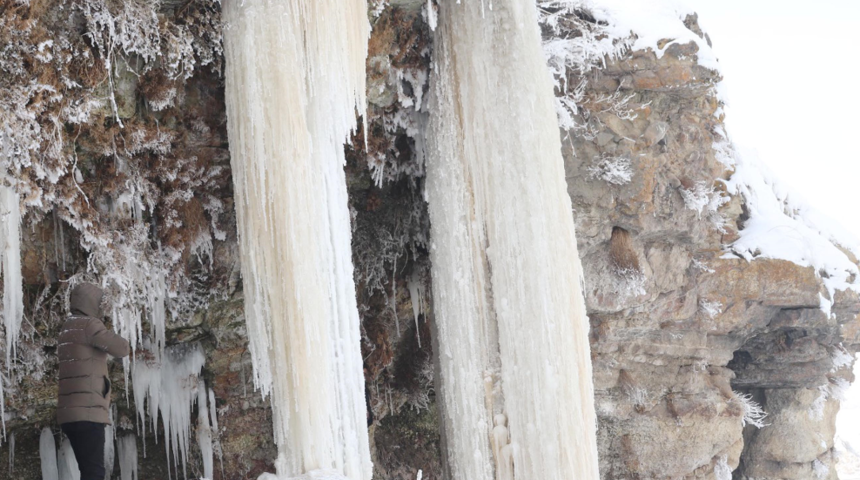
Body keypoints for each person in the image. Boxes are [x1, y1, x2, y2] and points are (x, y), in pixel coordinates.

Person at [57, 283, 130, 480]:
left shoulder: (66, 329)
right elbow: (122, 348)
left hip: (69, 415)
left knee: (88, 471)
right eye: (100, 303)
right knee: (94, 473)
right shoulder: (89, 325)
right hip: (88, 412)